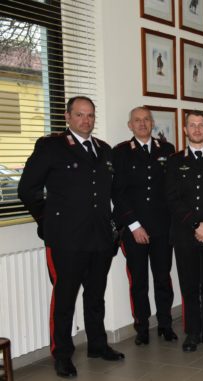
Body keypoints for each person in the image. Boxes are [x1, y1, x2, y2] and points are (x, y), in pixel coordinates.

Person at [18, 96, 125, 378]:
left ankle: (98, 345)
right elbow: (27, 189)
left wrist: (115, 225)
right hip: (66, 240)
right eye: (79, 115)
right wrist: (48, 221)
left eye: (90, 115)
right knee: (65, 299)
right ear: (67, 117)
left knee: (95, 296)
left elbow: (111, 193)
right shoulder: (51, 147)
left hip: (100, 238)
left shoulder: (104, 150)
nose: (85, 120)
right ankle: (62, 354)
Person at [112, 106, 177, 347]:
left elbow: (171, 190)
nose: (142, 124)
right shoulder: (120, 153)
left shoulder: (167, 150)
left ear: (152, 123)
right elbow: (118, 193)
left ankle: (165, 324)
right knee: (138, 281)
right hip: (134, 229)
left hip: (162, 228)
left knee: (163, 278)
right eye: (137, 120)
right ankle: (141, 327)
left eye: (146, 120)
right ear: (130, 125)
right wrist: (134, 225)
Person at [166, 111, 203, 352]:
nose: (198, 130)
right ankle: (192, 332)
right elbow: (172, 198)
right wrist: (195, 225)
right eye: (193, 125)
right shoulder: (175, 160)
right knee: (189, 285)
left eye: (202, 125)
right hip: (185, 233)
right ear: (185, 130)